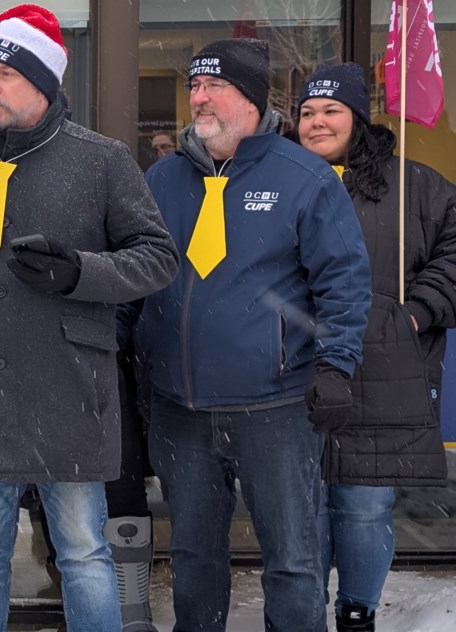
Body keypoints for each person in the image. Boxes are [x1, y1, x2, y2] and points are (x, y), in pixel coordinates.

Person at [0, 4, 179, 632]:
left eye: (7, 75)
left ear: (44, 85)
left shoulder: (101, 161)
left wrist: (79, 272)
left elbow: (159, 259)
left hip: (67, 391)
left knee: (83, 553)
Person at [123, 38, 372, 632]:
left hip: (276, 408)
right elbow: (132, 274)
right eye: (194, 86)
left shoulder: (303, 176)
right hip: (180, 408)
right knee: (192, 558)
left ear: (253, 99)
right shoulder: (161, 179)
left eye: (216, 86)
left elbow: (343, 280)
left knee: (292, 560)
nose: (199, 98)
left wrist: (336, 366)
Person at [295, 62, 456, 632]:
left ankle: (356, 613)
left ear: (359, 118)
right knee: (302, 509)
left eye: (331, 110)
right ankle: (301, 614)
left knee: (362, 506)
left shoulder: (416, 186)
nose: (316, 122)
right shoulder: (278, 180)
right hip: (294, 367)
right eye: (306, 112)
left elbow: (454, 253)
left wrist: (415, 313)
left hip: (381, 367)